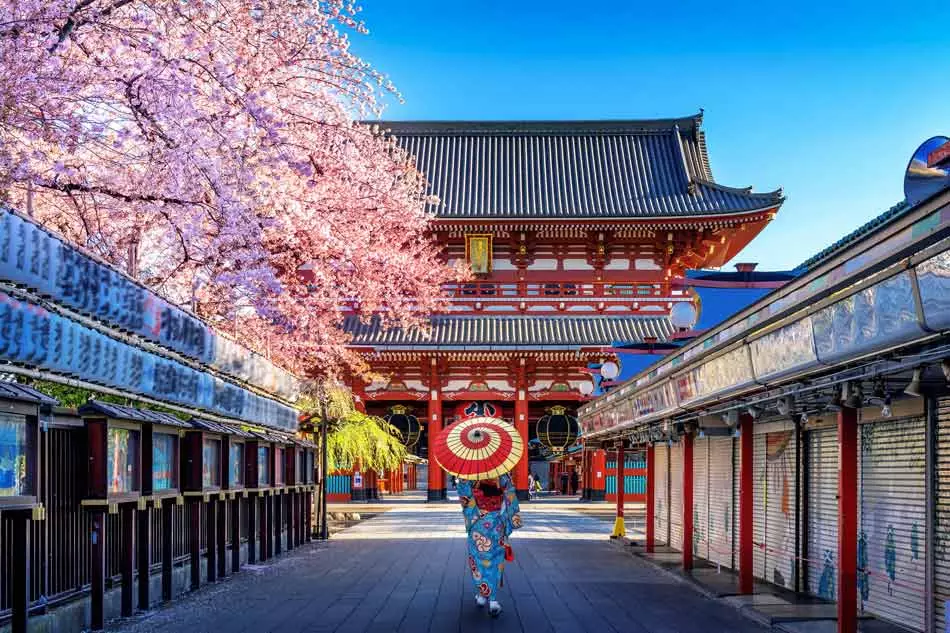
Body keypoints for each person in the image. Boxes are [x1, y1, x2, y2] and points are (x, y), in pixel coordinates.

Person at [456, 473, 522, 617]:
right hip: (497, 524)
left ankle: (481, 595)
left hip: (478, 524)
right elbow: (510, 495)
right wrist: (510, 518)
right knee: (496, 561)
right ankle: (493, 600)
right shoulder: (502, 474)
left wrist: (464, 482)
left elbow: (464, 497)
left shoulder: (469, 473)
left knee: (478, 560)